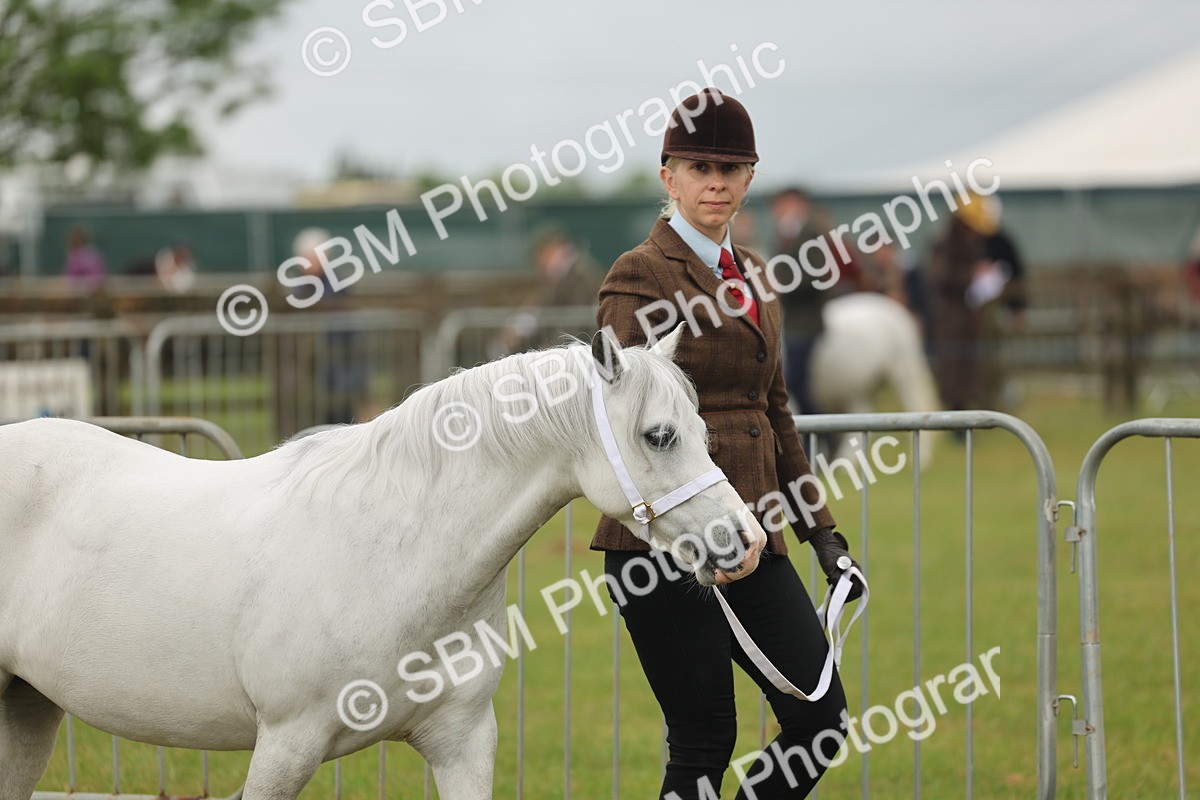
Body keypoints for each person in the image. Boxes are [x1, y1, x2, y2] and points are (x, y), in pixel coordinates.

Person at [591, 88, 864, 799]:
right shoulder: (638, 274)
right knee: (706, 739)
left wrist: (821, 531)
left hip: (756, 532)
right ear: (668, 176)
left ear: (749, 177)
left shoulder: (760, 274)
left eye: (732, 167)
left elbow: (775, 412)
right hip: (666, 543)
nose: (716, 181)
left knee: (821, 723)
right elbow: (619, 414)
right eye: (699, 165)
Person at [494, 225, 603, 355]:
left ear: (554, 247)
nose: (539, 261)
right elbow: (537, 308)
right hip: (560, 349)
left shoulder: (581, 275)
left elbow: (574, 320)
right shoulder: (554, 276)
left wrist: (546, 351)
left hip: (577, 350)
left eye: (541, 253)